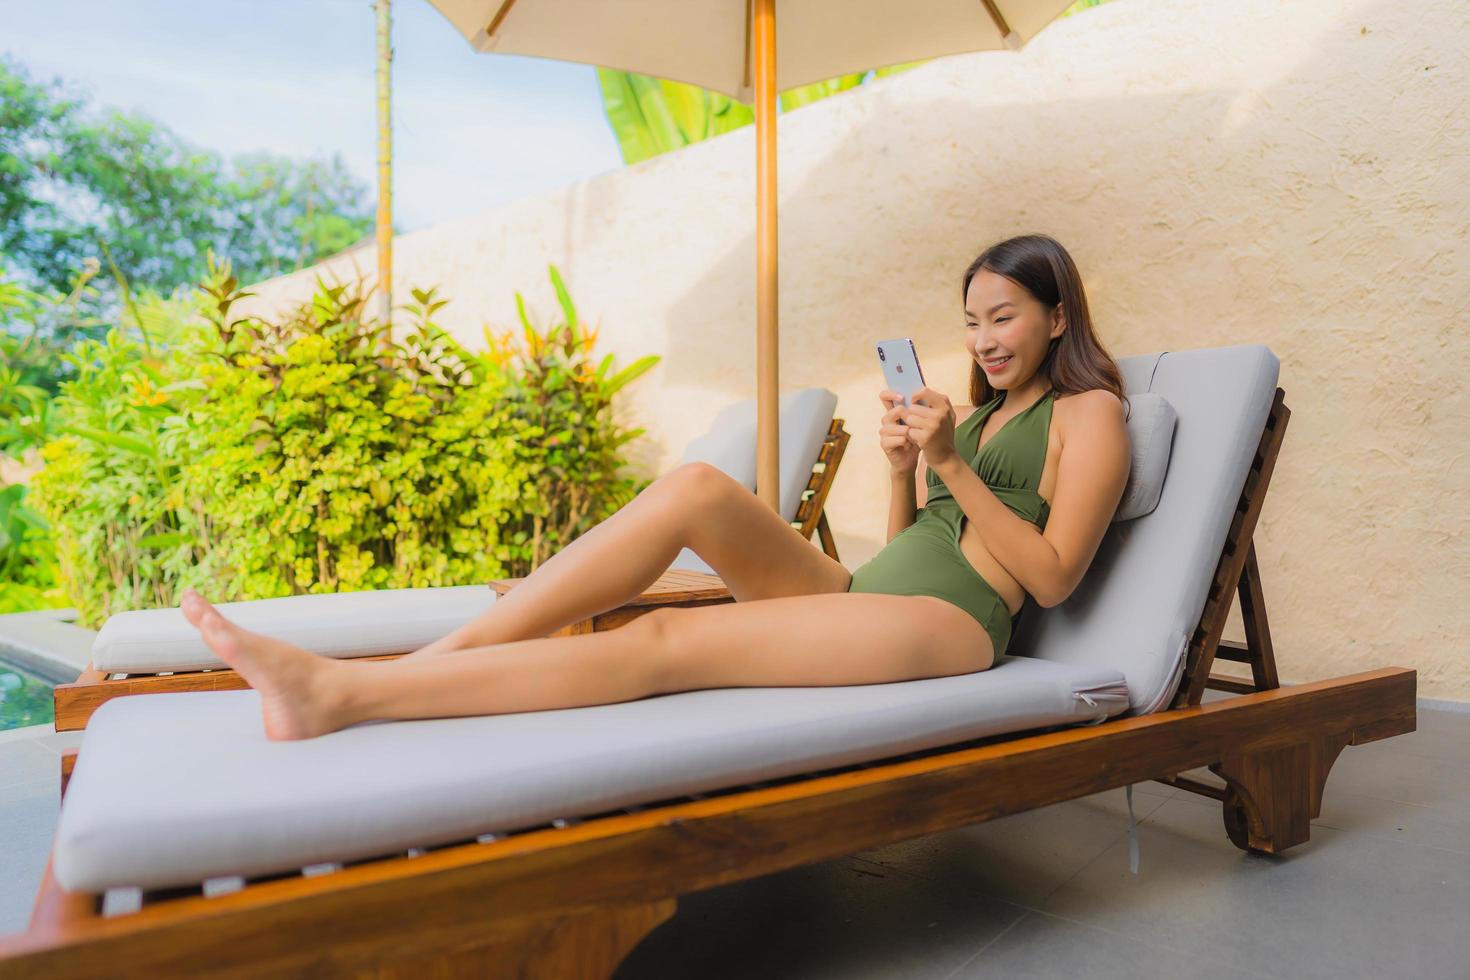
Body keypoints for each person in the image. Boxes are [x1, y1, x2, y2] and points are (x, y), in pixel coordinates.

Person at [180, 233, 1132, 741]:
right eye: (970, 323)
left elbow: (1049, 580)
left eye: (1002, 317)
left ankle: (342, 699)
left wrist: (953, 466)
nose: (982, 341)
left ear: (1057, 315)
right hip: (877, 598)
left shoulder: (1091, 413)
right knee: (696, 489)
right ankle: (437, 661)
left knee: (670, 634)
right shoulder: (980, 417)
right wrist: (902, 473)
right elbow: (909, 548)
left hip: (955, 626)